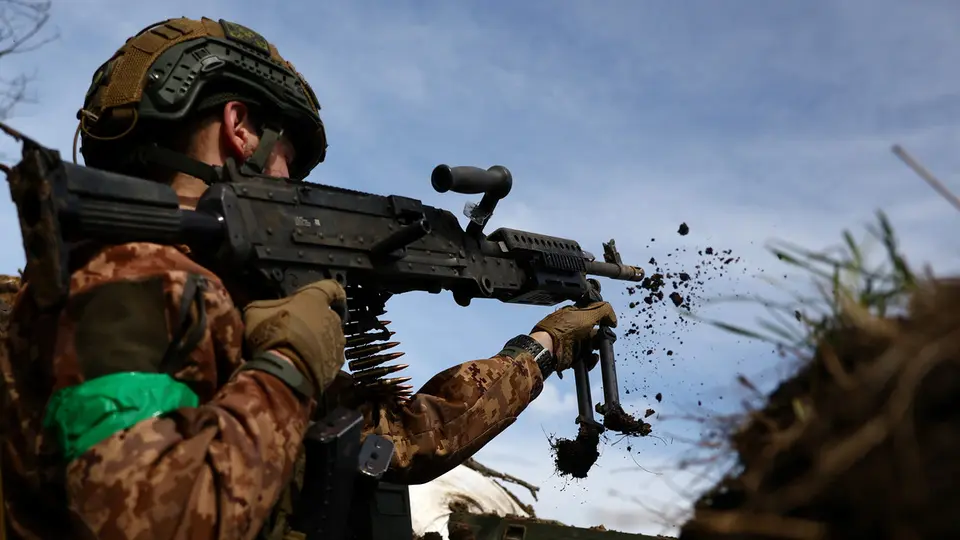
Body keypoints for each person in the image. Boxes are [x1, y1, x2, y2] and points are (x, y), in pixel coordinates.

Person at [0, 17, 618, 540]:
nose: (292, 184)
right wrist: (291, 362)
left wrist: (539, 349)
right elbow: (155, 520)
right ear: (240, 128)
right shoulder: (131, 282)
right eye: (289, 159)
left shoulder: (209, 302)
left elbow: (401, 441)